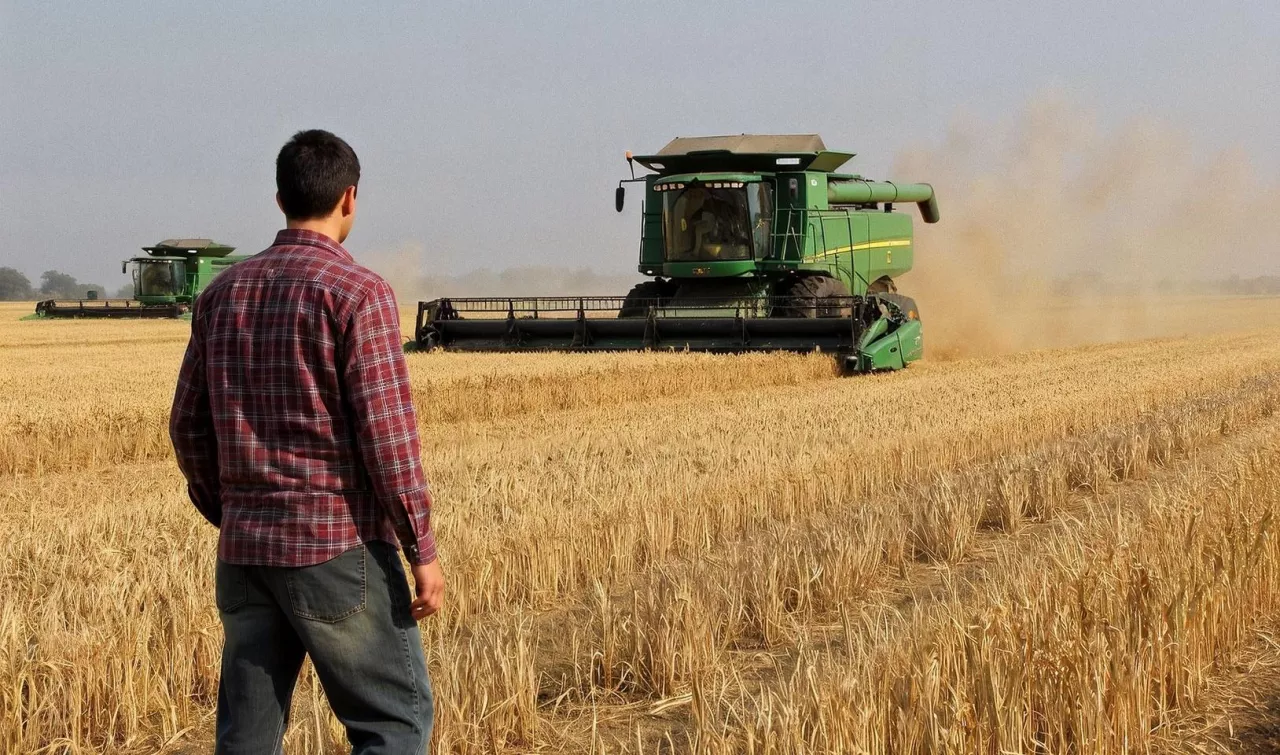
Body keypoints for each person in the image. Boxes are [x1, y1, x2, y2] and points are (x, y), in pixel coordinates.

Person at [170, 129, 444, 754]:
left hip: (245, 551)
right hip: (333, 547)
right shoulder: (358, 292)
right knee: (392, 724)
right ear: (350, 198)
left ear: (279, 199)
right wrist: (419, 546)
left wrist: (231, 506)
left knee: (248, 736)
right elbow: (388, 437)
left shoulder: (220, 294)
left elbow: (187, 424)